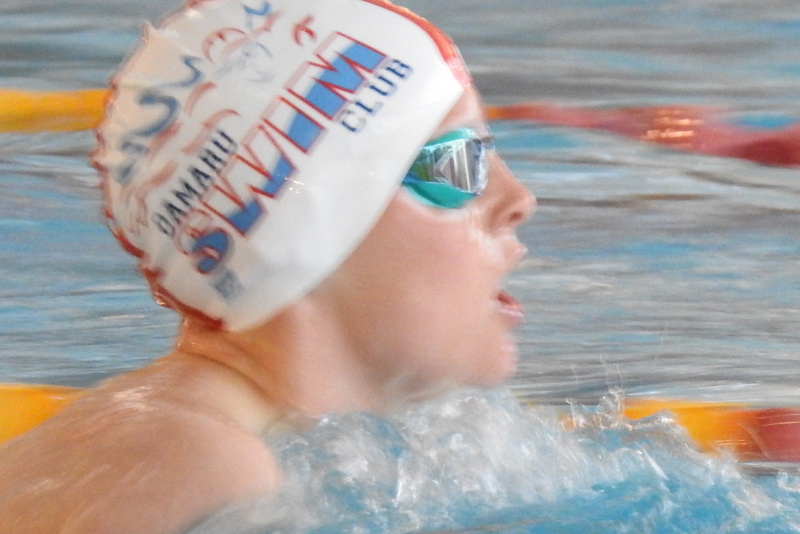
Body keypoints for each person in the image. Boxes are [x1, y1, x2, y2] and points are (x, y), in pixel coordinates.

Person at [0, 0, 535, 532]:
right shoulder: (203, 459)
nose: (519, 200)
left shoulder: (221, 440)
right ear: (307, 224)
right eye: (457, 163)